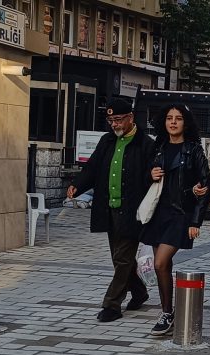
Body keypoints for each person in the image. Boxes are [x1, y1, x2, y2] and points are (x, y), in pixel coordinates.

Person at [67, 98, 155, 322]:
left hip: (134, 211)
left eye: (118, 120)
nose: (114, 125)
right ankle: (139, 291)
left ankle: (112, 305)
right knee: (119, 259)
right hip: (109, 208)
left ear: (130, 118)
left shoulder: (145, 144)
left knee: (123, 259)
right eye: (110, 120)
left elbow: (152, 176)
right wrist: (78, 184)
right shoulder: (107, 141)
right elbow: (93, 167)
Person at [140, 104, 210, 335]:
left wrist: (196, 221)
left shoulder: (193, 150)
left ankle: (168, 313)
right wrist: (149, 174)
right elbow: (142, 176)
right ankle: (167, 311)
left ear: (185, 123)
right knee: (164, 266)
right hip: (157, 213)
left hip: (180, 214)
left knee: (160, 262)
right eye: (169, 118)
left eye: (178, 118)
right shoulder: (157, 147)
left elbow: (205, 185)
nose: (173, 122)